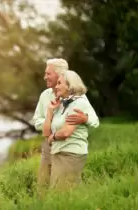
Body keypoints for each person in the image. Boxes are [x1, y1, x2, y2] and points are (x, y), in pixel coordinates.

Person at [32, 58, 99, 188]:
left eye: (48, 74)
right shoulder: (45, 95)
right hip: (49, 145)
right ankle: (44, 207)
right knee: (43, 183)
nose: (45, 77)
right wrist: (50, 121)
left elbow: (94, 121)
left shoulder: (78, 98)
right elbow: (37, 121)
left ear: (60, 75)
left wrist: (84, 119)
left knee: (62, 186)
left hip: (67, 147)